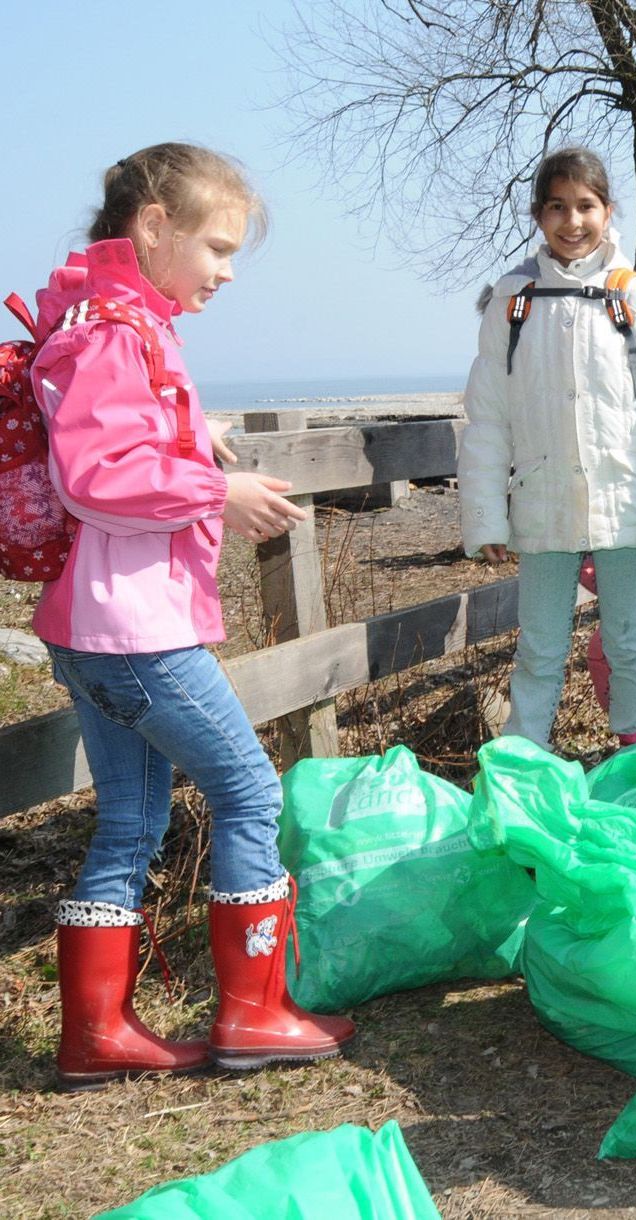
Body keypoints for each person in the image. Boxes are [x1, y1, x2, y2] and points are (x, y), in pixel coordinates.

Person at [32, 143, 354, 1090]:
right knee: (251, 793)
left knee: (131, 818)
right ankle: (254, 1013)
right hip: (135, 630)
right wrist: (218, 494)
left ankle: (99, 1034)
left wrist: (199, 450)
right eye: (215, 248)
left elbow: (125, 444)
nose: (223, 272)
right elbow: (97, 477)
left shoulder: (116, 321)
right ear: (153, 227)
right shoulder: (111, 331)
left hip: (95, 624)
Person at [459, 147, 636, 749]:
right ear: (539, 214)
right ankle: (527, 766)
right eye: (558, 207)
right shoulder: (512, 302)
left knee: (630, 638)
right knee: (539, 645)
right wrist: (486, 517)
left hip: (628, 507)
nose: (573, 221)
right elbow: (488, 419)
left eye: (586, 206)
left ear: (608, 210)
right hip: (543, 507)